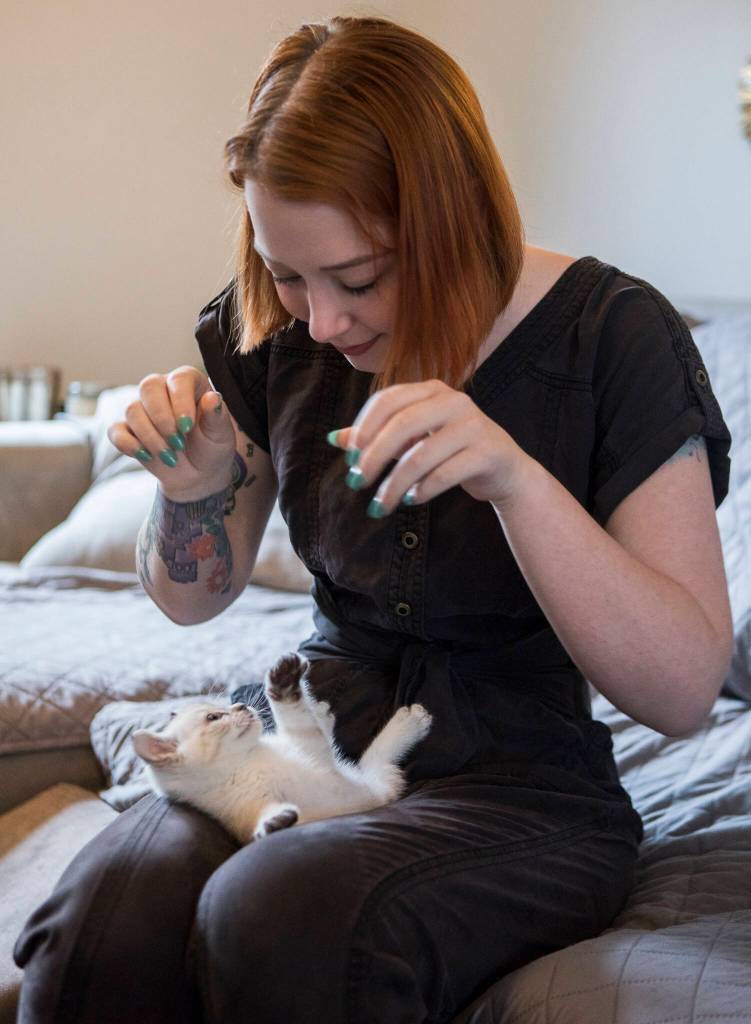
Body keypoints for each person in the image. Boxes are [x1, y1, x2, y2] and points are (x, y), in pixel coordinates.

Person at [14, 14, 733, 1024]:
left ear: (457, 218)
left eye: (357, 278)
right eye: (286, 274)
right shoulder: (283, 330)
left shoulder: (613, 339)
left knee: (274, 912)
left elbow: (683, 687)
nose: (322, 322)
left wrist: (515, 480)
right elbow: (191, 599)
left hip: (517, 784)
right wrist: (188, 491)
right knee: (106, 911)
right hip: (298, 742)